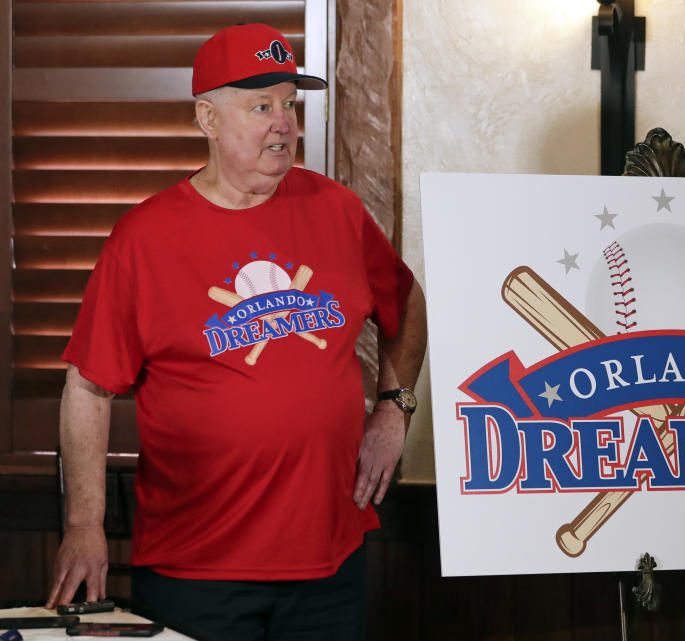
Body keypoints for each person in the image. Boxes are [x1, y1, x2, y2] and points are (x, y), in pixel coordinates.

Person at [44, 23, 427, 640]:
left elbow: (406, 306)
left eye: (289, 103)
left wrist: (393, 407)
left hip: (331, 559)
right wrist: (84, 525)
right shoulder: (143, 239)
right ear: (207, 118)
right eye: (261, 106)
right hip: (196, 568)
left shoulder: (337, 210)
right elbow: (88, 388)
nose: (284, 123)